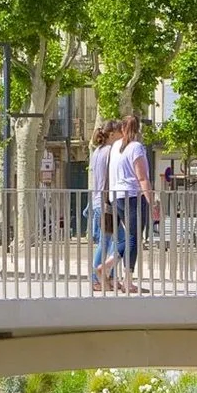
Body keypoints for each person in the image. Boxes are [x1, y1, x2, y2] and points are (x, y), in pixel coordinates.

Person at [112, 116, 154, 284]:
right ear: (138, 129)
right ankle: (127, 279)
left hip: (117, 195)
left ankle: (109, 265)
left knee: (129, 237)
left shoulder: (115, 146)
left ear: (122, 128)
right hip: (133, 195)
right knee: (134, 237)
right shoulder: (136, 147)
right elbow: (142, 177)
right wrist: (151, 201)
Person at [88, 121, 120, 291]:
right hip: (107, 200)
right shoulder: (110, 151)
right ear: (112, 134)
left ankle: (108, 277)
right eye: (120, 132)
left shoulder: (97, 152)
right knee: (111, 240)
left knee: (110, 239)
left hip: (98, 200)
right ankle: (98, 277)